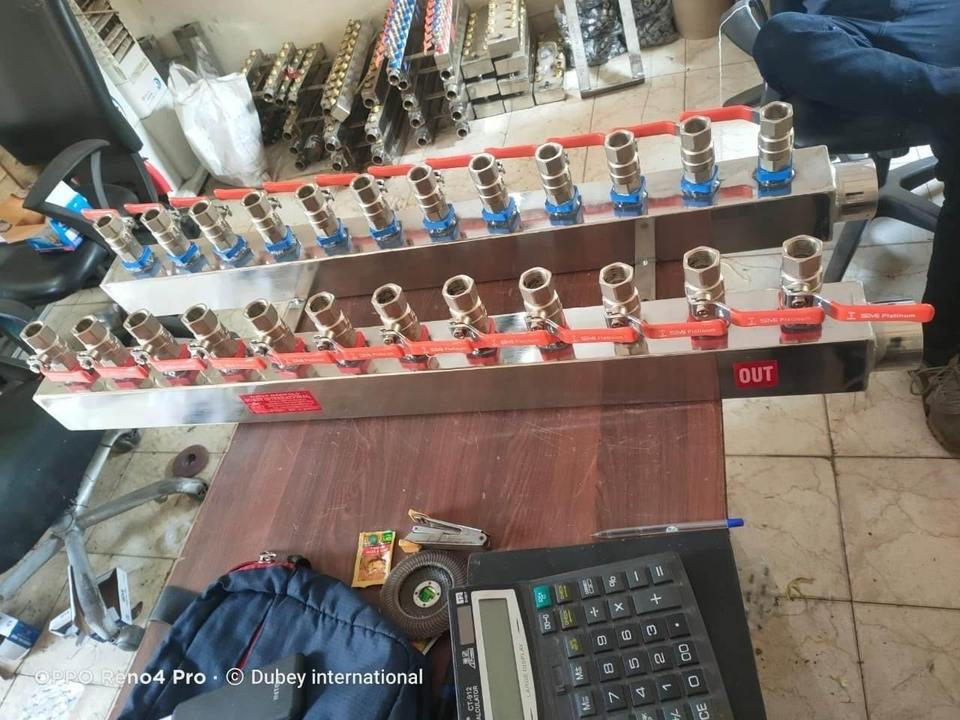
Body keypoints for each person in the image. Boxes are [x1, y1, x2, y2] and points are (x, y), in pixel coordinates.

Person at [753, 0, 960, 454]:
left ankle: (940, 352)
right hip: (843, 23)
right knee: (780, 37)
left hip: (941, 14)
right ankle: (949, 94)